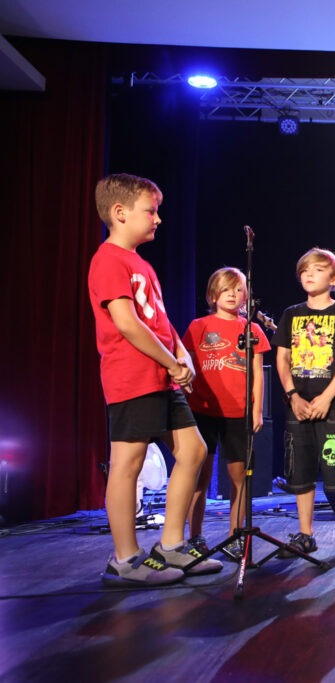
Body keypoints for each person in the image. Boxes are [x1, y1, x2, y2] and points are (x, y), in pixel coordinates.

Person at [88, 173, 222, 586]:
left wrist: (182, 355)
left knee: (194, 451)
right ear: (120, 212)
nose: (158, 219)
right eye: (151, 211)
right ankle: (125, 560)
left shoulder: (142, 264)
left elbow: (158, 321)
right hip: (132, 376)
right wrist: (172, 362)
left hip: (161, 376)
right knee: (127, 463)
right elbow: (127, 323)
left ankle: (171, 546)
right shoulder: (108, 260)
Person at [271, 248, 335, 561]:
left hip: (333, 405)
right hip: (298, 405)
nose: (309, 274)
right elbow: (283, 358)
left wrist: (327, 396)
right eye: (304, 270)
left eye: (318, 269)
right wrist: (293, 396)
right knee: (300, 471)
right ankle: (305, 534)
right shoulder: (291, 314)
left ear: (334, 278)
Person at [181, 267, 270, 560]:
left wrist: (257, 410)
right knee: (200, 478)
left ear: (245, 295)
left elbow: (258, 374)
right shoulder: (198, 326)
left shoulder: (252, 330)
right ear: (213, 295)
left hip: (238, 413)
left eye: (238, 289)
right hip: (203, 410)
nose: (232, 294)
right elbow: (185, 363)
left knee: (238, 479)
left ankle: (236, 536)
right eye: (225, 289)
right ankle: (195, 537)